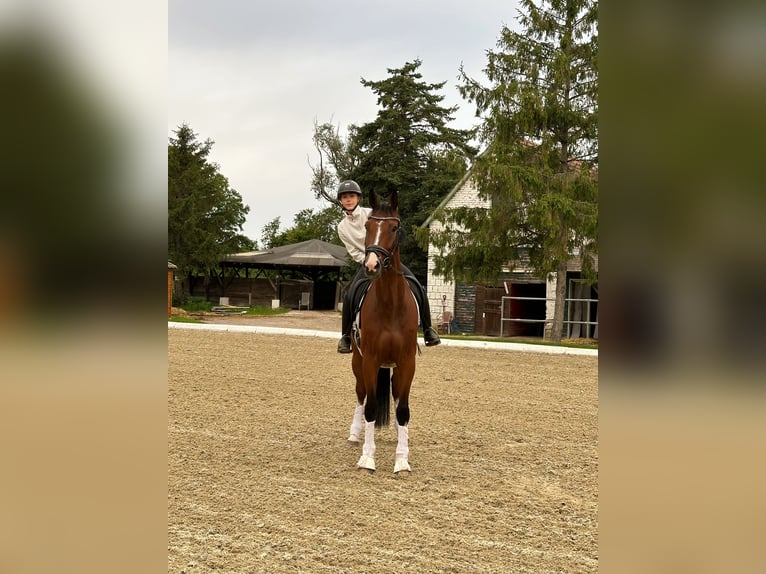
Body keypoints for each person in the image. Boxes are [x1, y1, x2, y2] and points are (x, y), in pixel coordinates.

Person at [335, 179, 441, 353]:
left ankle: (428, 330)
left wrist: (382, 255)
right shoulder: (342, 227)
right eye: (345, 197)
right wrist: (367, 259)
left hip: (387, 260)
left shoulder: (372, 214)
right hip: (367, 262)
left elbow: (389, 228)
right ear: (340, 201)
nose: (348, 200)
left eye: (351, 196)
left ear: (359, 198)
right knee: (349, 294)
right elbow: (353, 251)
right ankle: (346, 336)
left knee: (416, 286)